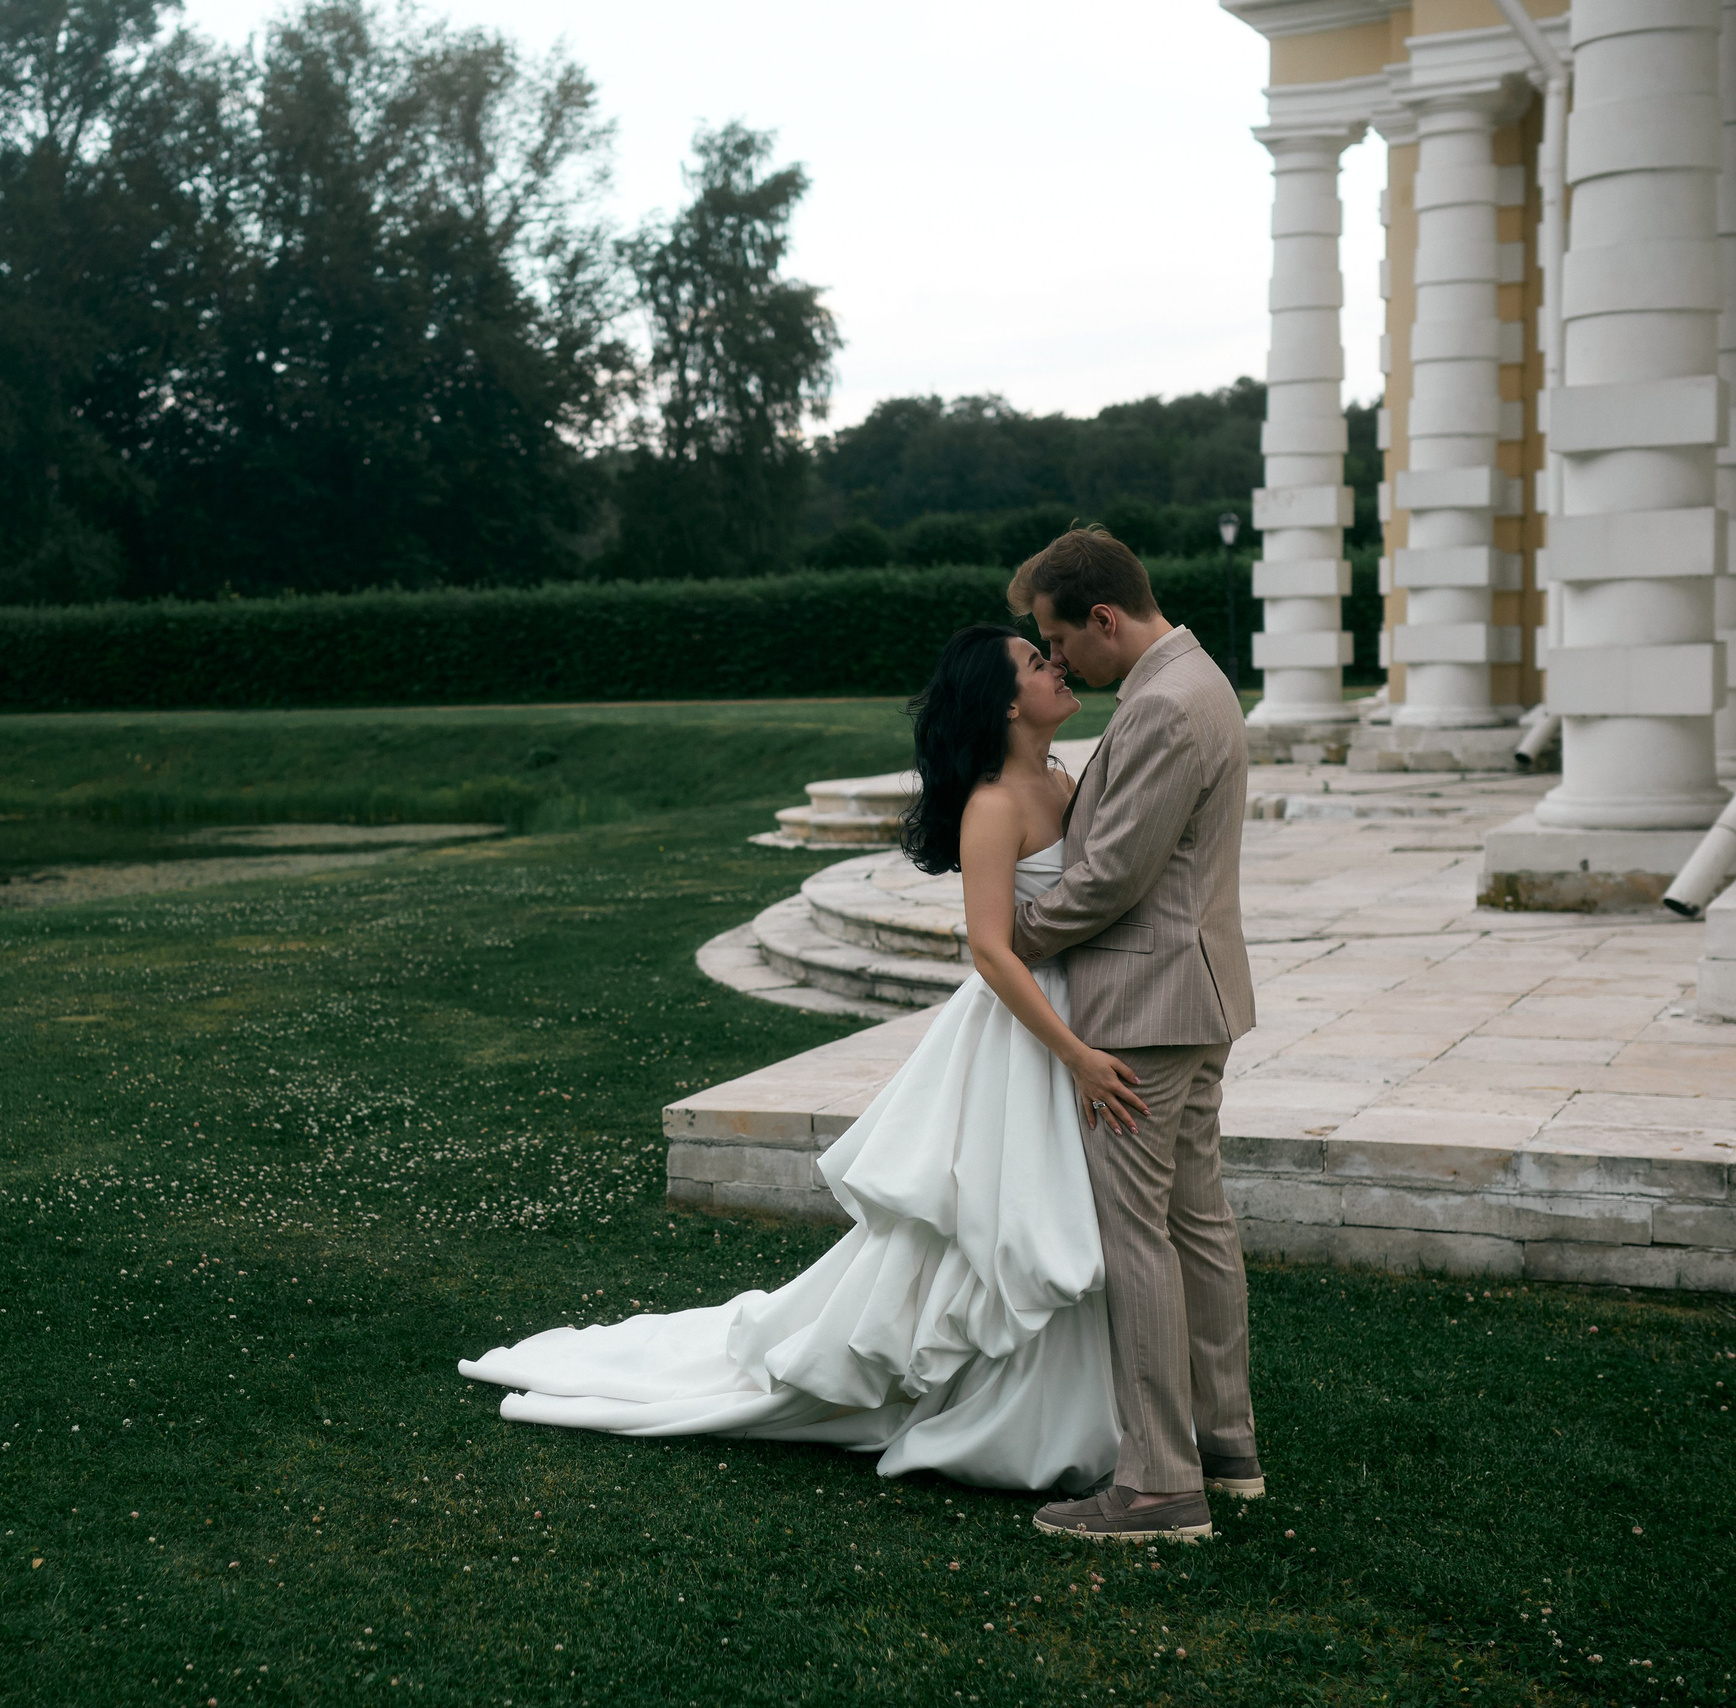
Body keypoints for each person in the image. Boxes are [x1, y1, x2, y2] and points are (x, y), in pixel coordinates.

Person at [458, 613, 1145, 1499]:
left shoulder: (1062, 773)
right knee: (1005, 1219)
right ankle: (1002, 1415)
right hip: (1027, 1034)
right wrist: (1078, 1056)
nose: (1055, 666)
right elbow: (989, 950)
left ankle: (1089, 1406)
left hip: (1076, 1011)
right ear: (1003, 703)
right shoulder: (993, 806)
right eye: (1032, 660)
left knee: (1053, 1214)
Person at [1003, 527, 1261, 1544]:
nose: (1059, 663)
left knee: (1138, 1236)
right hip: (1196, 997)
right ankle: (1224, 1444)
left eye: (1061, 642)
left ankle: (1158, 1483)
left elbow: (1110, 876)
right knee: (1195, 1223)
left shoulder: (1160, 705)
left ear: (1104, 617)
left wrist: (1004, 936)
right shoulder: (1193, 680)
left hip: (1145, 1013)